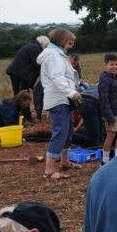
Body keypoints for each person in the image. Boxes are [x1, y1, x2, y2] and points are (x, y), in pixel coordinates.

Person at [38, 28, 83, 180]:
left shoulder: (57, 55)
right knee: (60, 132)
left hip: (63, 99)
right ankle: (49, 171)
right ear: (62, 41)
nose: (71, 46)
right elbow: (57, 77)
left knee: (68, 130)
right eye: (69, 43)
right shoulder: (54, 56)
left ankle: (64, 161)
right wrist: (71, 92)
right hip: (58, 100)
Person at [6, 35, 49, 124]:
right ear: (42, 44)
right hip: (17, 74)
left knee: (25, 95)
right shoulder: (35, 48)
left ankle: (28, 117)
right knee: (21, 96)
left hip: (21, 74)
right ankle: (22, 119)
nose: (45, 49)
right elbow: (38, 65)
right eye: (46, 46)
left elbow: (36, 67)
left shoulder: (33, 46)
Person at [98, 53, 117, 164]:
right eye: (111, 64)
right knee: (110, 135)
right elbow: (103, 99)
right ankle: (104, 161)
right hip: (112, 113)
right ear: (106, 65)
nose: (114, 67)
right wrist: (109, 116)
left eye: (116, 64)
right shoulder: (105, 79)